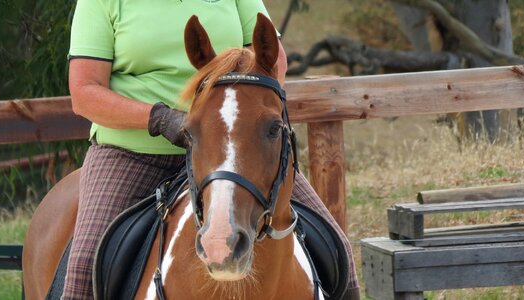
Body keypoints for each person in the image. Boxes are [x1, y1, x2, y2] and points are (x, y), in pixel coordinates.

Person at [64, 0, 359, 299]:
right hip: (131, 153)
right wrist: (160, 118)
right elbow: (85, 92)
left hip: (234, 149)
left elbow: (273, 60)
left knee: (337, 249)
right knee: (84, 266)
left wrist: (242, 121)